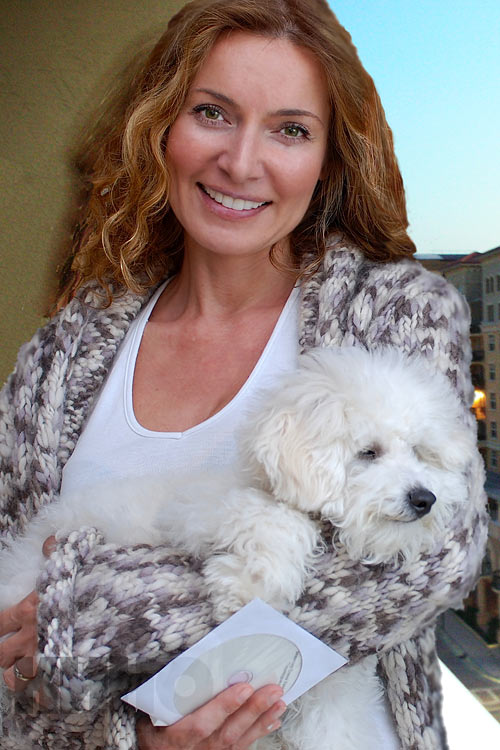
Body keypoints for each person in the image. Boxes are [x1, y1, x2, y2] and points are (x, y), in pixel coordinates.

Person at [0, 0, 487, 748]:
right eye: (212, 113)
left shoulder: (392, 310)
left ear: (328, 160)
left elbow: (429, 558)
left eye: (291, 129)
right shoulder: (59, 358)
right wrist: (125, 738)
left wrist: (92, 610)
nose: (241, 162)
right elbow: (9, 640)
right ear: (160, 127)